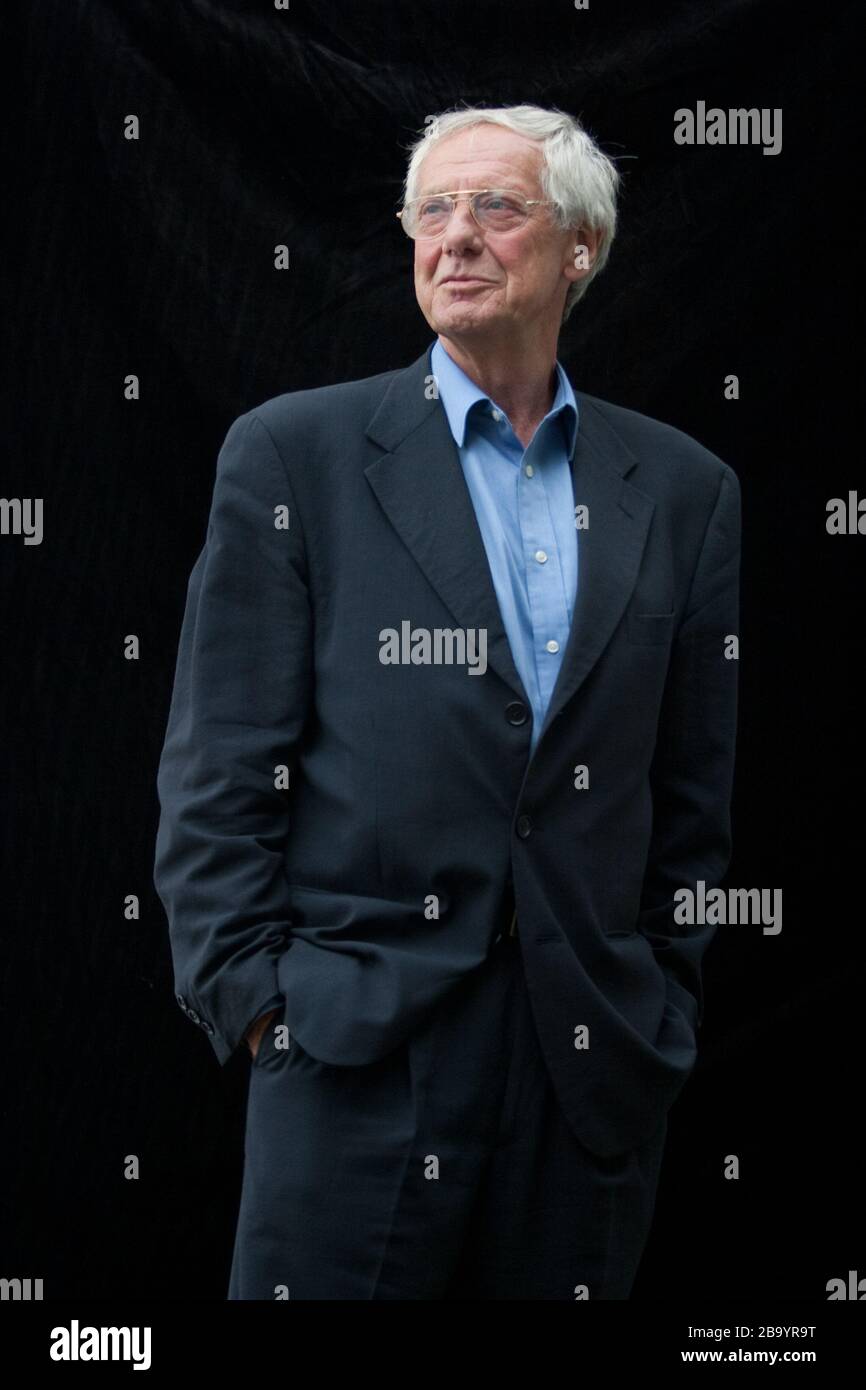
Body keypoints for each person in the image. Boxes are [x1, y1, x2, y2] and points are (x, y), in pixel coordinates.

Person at [154, 102, 741, 1300]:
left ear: (579, 248)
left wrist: (660, 1003)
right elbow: (217, 767)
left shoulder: (682, 489)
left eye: (496, 207)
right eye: (433, 209)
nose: (455, 236)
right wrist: (266, 1010)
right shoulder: (294, 456)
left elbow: (693, 794)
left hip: (586, 1069)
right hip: (354, 1051)